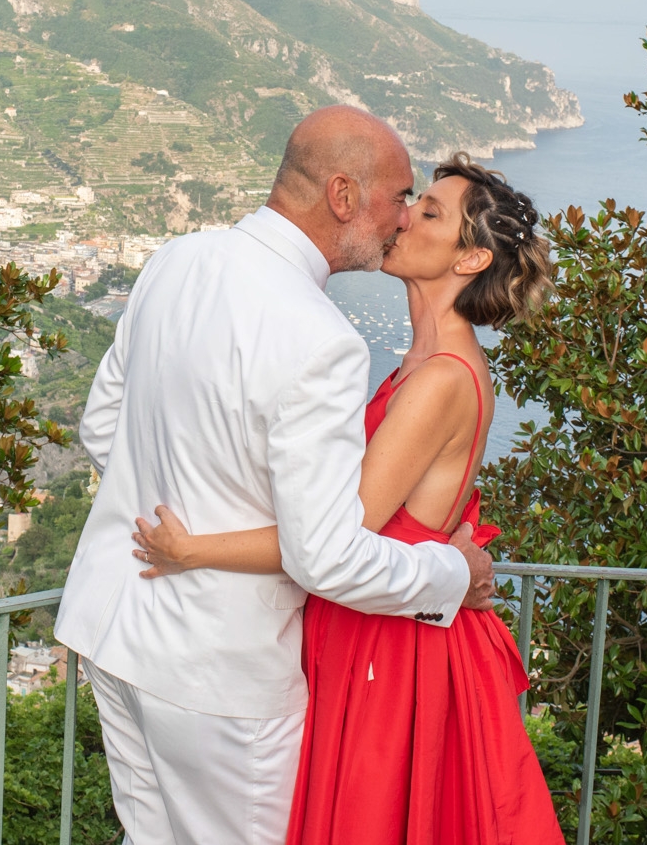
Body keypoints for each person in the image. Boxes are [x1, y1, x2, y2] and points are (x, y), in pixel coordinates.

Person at [53, 108, 497, 845]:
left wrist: (183, 506)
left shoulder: (179, 257)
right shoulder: (320, 337)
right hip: (218, 670)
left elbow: (103, 423)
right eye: (397, 198)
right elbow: (324, 555)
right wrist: (449, 572)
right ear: (344, 196)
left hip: (110, 627)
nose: (399, 221)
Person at [132, 154, 565, 845]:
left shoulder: (439, 379)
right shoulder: (424, 365)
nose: (403, 216)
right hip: (381, 626)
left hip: (390, 648)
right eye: (412, 201)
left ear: (470, 257)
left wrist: (191, 549)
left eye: (428, 213)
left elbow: (333, 538)